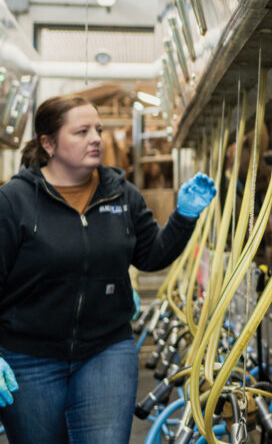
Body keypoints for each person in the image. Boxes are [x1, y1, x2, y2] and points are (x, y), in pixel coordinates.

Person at [0, 94, 216, 443]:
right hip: (29, 358)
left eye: (98, 129)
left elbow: (151, 256)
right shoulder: (15, 200)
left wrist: (184, 217)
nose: (97, 138)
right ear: (48, 143)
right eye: (82, 131)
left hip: (105, 351)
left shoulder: (121, 194)